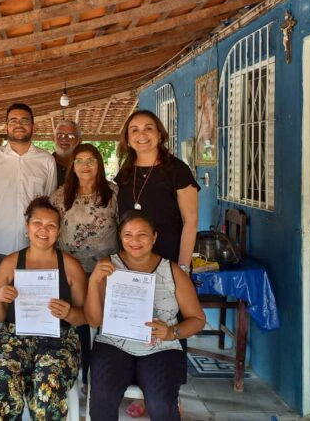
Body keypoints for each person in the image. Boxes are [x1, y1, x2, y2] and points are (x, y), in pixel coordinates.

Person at [115, 110, 199, 417]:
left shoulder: (177, 170)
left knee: (171, 326)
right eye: (134, 129)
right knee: (139, 322)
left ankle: (168, 393)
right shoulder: (126, 171)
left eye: (148, 128)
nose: (141, 134)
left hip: (168, 263)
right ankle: (144, 389)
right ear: (127, 138)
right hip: (132, 262)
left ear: (160, 133)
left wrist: (184, 269)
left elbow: (190, 223)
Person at [85, 211, 206, 421]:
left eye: (142, 234)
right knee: (102, 398)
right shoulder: (108, 267)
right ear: (120, 238)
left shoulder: (172, 271)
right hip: (114, 345)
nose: (135, 241)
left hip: (160, 347)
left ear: (154, 237)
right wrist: (94, 282)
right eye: (128, 235)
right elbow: (94, 321)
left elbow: (198, 319)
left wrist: (171, 332)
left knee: (161, 404)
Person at [0, 196, 87, 420]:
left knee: (47, 382)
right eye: (37, 223)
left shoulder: (70, 266)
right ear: (27, 227)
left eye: (51, 225)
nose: (44, 230)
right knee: (3, 378)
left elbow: (84, 317)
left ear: (59, 231)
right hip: (14, 337)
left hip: (59, 339)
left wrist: (69, 313)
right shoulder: (10, 263)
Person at [49, 143, 118, 390]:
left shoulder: (112, 193)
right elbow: (51, 230)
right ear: (72, 165)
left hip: (104, 271)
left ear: (99, 164)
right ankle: (79, 374)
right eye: (79, 160)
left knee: (101, 326)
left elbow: (122, 229)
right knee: (77, 324)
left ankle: (98, 376)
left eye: (91, 160)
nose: (85, 165)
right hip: (70, 270)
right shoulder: (60, 195)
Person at [0, 103, 57, 278]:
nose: (19, 124)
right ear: (7, 126)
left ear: (33, 127)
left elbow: (50, 204)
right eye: (13, 120)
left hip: (36, 248)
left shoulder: (46, 160)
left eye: (24, 120)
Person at [52, 120, 81, 186]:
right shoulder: (44, 164)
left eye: (71, 136)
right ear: (54, 139)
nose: (64, 139)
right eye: (60, 135)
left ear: (79, 140)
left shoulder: (85, 166)